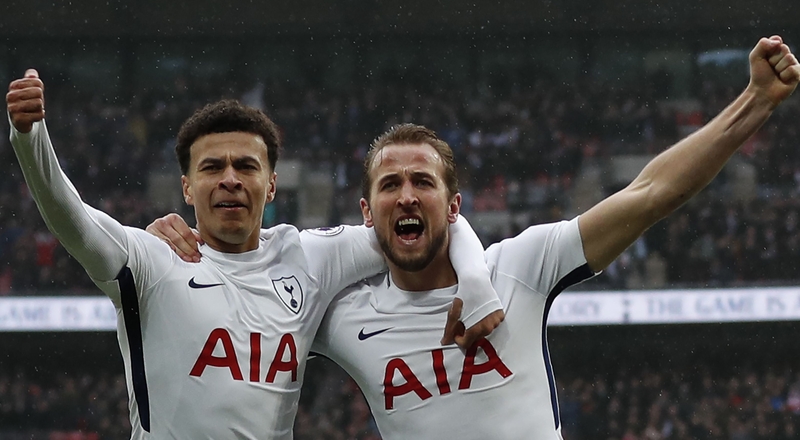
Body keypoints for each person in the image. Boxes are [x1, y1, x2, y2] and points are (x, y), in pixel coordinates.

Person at [149, 36, 799, 439]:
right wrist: (174, 247)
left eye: (423, 182)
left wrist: (755, 101)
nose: (407, 194)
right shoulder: (337, 312)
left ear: (454, 205)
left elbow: (653, 193)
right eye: (390, 184)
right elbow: (236, 308)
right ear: (366, 214)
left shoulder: (523, 266)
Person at [5, 72, 504, 439]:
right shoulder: (153, 260)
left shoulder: (310, 256)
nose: (229, 178)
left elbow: (431, 224)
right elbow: (72, 219)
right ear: (186, 187)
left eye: (246, 166)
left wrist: (477, 281)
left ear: (270, 187)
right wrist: (30, 139)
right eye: (211, 168)